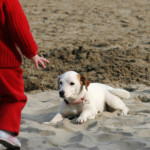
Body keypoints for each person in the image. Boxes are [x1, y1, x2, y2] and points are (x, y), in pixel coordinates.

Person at [0, 0, 49, 149]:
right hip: (4, 61)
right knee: (13, 98)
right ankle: (5, 131)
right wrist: (31, 52)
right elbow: (18, 27)